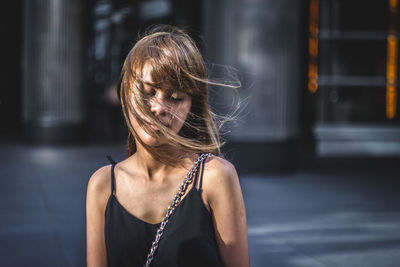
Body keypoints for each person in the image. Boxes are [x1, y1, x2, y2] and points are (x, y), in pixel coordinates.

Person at [86, 25, 249, 267]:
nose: (159, 108)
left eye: (175, 98)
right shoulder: (102, 186)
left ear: (190, 107)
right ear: (125, 95)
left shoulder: (215, 178)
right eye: (147, 93)